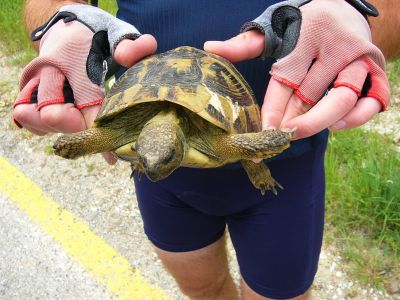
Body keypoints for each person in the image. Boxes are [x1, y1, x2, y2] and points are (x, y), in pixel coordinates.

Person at [13, 0, 398, 299]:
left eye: (157, 157)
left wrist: (359, 13)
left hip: (285, 174)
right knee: (200, 291)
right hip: (164, 184)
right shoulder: (153, 155)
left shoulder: (218, 142)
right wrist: (62, 20)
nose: (153, 161)